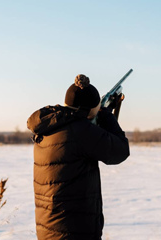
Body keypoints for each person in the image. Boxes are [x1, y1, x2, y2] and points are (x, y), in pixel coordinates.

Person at [27, 74, 130, 240]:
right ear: (90, 111)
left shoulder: (51, 126)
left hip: (49, 228)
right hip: (75, 231)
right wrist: (107, 117)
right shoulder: (81, 131)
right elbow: (120, 151)